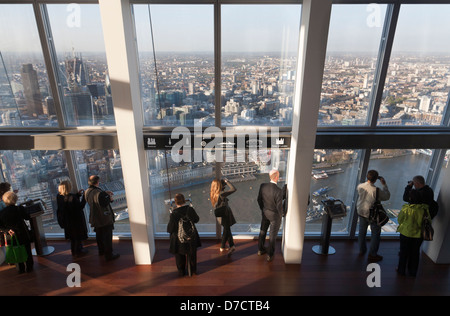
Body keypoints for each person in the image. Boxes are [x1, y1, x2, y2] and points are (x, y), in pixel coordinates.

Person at [356, 169, 390, 262]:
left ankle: (362, 250)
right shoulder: (376, 190)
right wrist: (384, 185)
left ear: (367, 177)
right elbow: (387, 197)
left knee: (362, 231)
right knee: (375, 234)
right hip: (372, 214)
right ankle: (372, 254)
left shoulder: (360, 186)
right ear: (376, 180)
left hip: (360, 210)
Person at [84, 175, 119, 261]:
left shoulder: (87, 191)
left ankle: (101, 251)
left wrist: (105, 193)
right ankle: (109, 255)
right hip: (104, 218)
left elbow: (95, 197)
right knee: (107, 237)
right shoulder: (100, 193)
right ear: (97, 182)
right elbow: (105, 203)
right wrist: (109, 197)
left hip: (95, 217)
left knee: (99, 235)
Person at [397, 190, 429, 277]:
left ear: (410, 198)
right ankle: (412, 271)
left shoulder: (406, 208)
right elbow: (428, 221)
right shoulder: (424, 209)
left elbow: (400, 220)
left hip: (405, 233)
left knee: (404, 252)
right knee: (415, 253)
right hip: (418, 235)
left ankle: (401, 270)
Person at [167, 193, 201, 276]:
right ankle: (193, 270)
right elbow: (196, 220)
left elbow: (170, 229)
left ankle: (181, 271)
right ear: (184, 200)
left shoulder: (174, 213)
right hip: (191, 236)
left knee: (179, 255)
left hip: (179, 239)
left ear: (175, 202)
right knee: (192, 254)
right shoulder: (190, 209)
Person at [0, 192, 33, 273]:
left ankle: (20, 269)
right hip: (22, 233)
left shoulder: (2, 212)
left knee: (16, 251)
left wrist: (7, 230)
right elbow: (27, 217)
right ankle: (29, 267)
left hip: (11, 235)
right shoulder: (19, 208)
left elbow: (0, 226)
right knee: (27, 250)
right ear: (15, 199)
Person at [257, 170, 285, 262]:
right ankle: (270, 255)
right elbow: (279, 207)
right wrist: (281, 215)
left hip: (265, 212)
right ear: (276, 177)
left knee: (262, 231)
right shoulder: (278, 191)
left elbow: (259, 200)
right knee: (272, 235)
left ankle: (260, 250)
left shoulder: (262, 186)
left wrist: (263, 209)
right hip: (274, 216)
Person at [57, 180, 88, 257]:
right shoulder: (72, 197)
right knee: (77, 237)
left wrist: (77, 195)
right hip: (75, 220)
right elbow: (80, 206)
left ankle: (74, 251)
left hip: (67, 221)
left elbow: (68, 203)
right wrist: (84, 197)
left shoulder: (59, 196)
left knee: (73, 238)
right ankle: (77, 251)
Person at [210, 178, 237, 255]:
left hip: (219, 216)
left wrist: (223, 185)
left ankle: (223, 246)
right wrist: (227, 181)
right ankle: (231, 246)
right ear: (219, 186)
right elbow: (233, 189)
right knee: (227, 230)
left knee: (226, 229)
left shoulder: (213, 194)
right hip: (225, 215)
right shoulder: (221, 195)